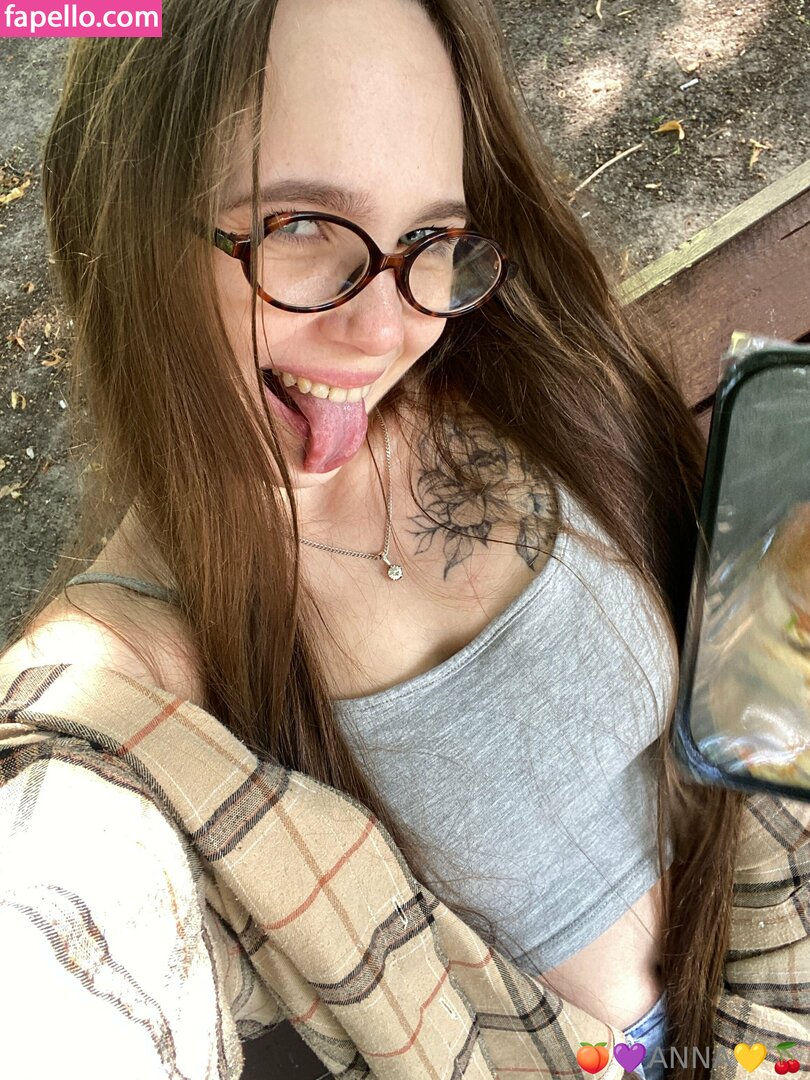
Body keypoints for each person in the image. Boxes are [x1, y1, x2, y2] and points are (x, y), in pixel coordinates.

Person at [0, 0, 807, 1077]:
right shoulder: (124, 684)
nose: (386, 331)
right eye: (297, 225)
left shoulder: (529, 384)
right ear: (126, 219)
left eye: (431, 238)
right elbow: (61, 943)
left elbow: (760, 712)